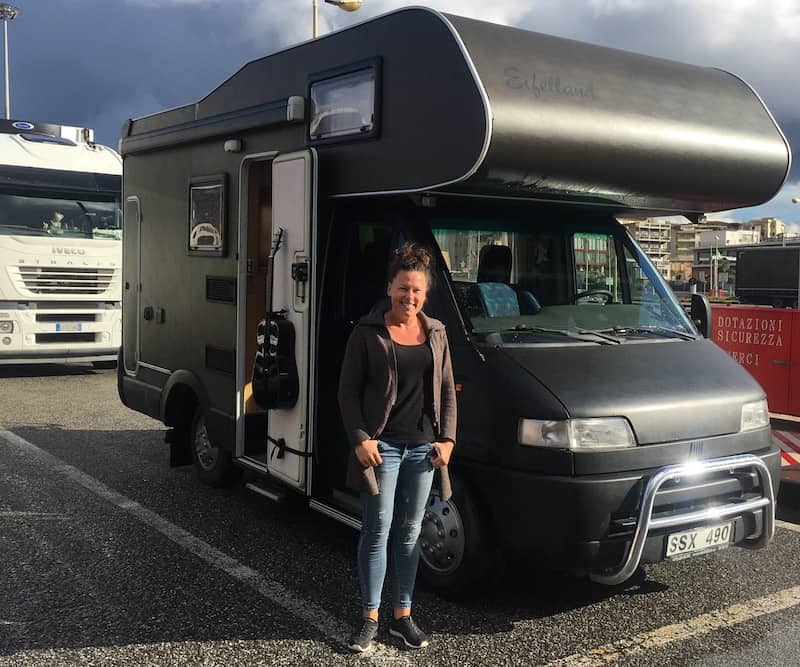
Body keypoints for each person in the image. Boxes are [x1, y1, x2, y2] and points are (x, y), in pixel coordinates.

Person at [338, 241, 456, 653]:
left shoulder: (436, 332)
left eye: (418, 290)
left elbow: (446, 390)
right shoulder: (367, 332)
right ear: (390, 287)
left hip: (424, 451)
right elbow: (347, 392)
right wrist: (360, 439)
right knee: (376, 532)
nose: (410, 297)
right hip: (382, 448)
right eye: (403, 288)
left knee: (409, 536)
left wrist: (448, 440)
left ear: (426, 294)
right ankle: (369, 617)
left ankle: (402, 616)